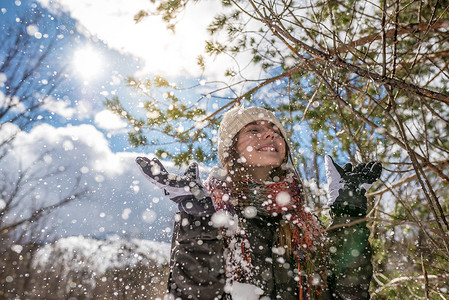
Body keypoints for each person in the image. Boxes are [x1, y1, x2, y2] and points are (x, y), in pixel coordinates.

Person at [136, 106, 382, 300]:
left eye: (275, 130)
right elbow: (193, 293)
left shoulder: (306, 225)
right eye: (253, 130)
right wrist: (199, 220)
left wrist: (348, 214)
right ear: (231, 149)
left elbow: (349, 293)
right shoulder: (214, 215)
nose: (270, 133)